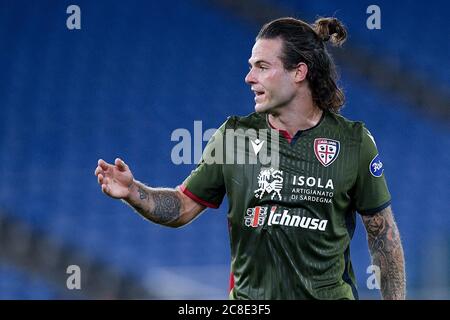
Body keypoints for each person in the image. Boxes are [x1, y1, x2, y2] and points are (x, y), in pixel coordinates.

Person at [94, 17, 405, 300]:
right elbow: (182, 206)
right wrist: (134, 191)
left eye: (262, 66)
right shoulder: (233, 136)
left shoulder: (353, 141)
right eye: (251, 65)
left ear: (299, 72)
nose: (248, 77)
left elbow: (383, 236)